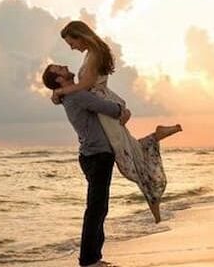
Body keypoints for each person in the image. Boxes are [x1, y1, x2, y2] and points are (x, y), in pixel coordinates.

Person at [53, 20, 182, 223]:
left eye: (71, 42)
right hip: (104, 103)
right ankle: (156, 139)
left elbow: (86, 85)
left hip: (104, 108)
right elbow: (86, 88)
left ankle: (154, 199)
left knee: (128, 158)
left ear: (80, 36)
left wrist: (60, 91)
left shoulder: (94, 54)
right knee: (130, 149)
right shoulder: (94, 53)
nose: (72, 47)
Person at [42, 63, 126, 267]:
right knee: (96, 208)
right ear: (59, 80)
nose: (64, 66)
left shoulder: (71, 94)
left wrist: (58, 93)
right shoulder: (77, 96)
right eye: (59, 68)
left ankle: (94, 257)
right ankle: (89, 260)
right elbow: (111, 109)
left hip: (92, 155)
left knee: (99, 207)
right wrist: (122, 109)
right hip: (97, 155)